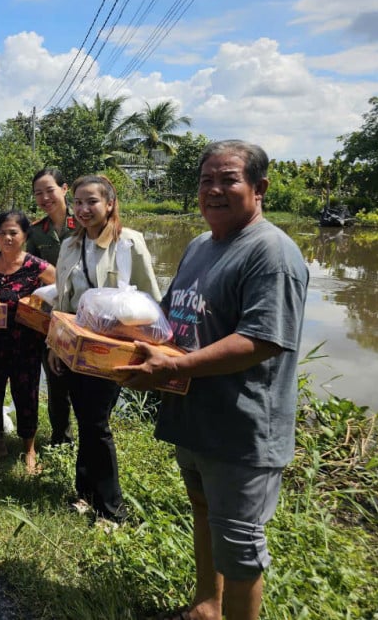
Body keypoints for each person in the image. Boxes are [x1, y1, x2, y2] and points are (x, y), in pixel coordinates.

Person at [123, 141, 309, 620]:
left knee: (240, 547)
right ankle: (207, 606)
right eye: (206, 180)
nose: (214, 190)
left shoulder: (272, 253)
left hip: (242, 425)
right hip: (195, 414)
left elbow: (262, 340)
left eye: (228, 179)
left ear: (259, 188)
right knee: (203, 511)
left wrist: (178, 367)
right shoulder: (201, 246)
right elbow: (169, 318)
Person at [47, 174, 161, 524]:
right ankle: (85, 493)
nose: (83, 208)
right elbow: (62, 301)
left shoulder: (129, 243)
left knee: (97, 424)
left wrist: (143, 350)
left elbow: (151, 303)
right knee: (85, 419)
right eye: (78, 202)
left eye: (92, 201)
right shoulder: (69, 245)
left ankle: (112, 510)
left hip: (111, 352)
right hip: (75, 350)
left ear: (110, 203)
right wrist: (55, 345)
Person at [0, 210, 51, 473]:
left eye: (13, 233)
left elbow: (63, 290)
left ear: (25, 235)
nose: (7, 238)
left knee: (26, 394)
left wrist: (39, 307)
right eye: (2, 233)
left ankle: (29, 448)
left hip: (26, 344)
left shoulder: (36, 266)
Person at [26, 167, 77, 446]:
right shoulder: (36, 232)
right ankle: (61, 440)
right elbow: (29, 272)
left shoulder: (85, 224)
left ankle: (93, 438)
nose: (45, 197)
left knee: (85, 378)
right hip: (51, 316)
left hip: (83, 312)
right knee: (56, 379)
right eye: (38, 193)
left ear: (64, 189)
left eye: (50, 190)